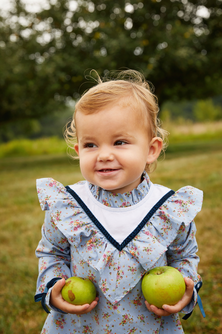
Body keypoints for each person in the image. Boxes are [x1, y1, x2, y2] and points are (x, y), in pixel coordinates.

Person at [35, 70, 205, 333]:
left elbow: (185, 255)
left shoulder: (168, 208)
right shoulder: (69, 206)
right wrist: (54, 286)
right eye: (91, 145)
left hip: (150, 325)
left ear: (151, 150)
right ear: (78, 151)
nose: (103, 155)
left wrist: (185, 287)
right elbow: (52, 253)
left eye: (120, 142)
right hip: (79, 325)